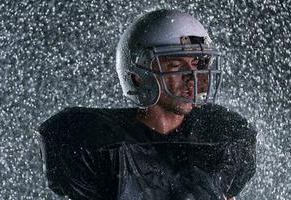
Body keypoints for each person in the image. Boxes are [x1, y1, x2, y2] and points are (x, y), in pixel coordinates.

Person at [37, 9, 257, 200]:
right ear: (138, 77)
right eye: (175, 65)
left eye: (198, 63)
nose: (192, 78)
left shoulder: (224, 137)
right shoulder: (97, 145)